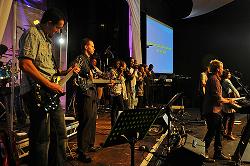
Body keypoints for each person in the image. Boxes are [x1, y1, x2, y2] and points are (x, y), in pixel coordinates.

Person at [18, 8, 80, 166]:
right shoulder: (32, 34)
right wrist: (49, 84)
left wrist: (68, 71)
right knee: (41, 139)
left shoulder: (46, 39)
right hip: (37, 93)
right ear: (48, 23)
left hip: (49, 93)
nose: (59, 31)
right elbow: (25, 64)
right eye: (57, 27)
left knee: (60, 134)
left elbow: (49, 70)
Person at [72, 38, 100, 163]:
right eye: (92, 46)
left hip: (92, 92)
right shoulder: (80, 58)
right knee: (86, 121)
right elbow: (74, 69)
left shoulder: (89, 61)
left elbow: (94, 75)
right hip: (85, 93)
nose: (94, 48)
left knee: (92, 120)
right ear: (85, 47)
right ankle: (82, 151)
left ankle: (90, 145)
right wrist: (86, 72)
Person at [202, 59, 234, 161]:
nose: (223, 70)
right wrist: (229, 101)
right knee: (211, 132)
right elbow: (218, 98)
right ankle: (203, 153)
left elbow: (218, 97)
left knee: (219, 131)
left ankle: (218, 153)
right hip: (212, 111)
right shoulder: (214, 80)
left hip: (215, 111)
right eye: (222, 68)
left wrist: (227, 99)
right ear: (217, 69)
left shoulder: (214, 78)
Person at [221, 69, 240, 140]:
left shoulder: (223, 81)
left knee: (225, 117)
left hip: (226, 100)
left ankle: (223, 132)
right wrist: (238, 96)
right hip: (229, 101)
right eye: (229, 74)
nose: (230, 75)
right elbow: (234, 89)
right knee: (232, 118)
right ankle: (229, 133)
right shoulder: (227, 81)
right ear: (226, 75)